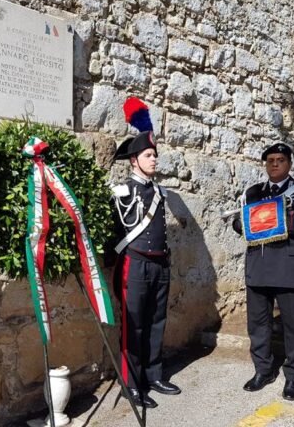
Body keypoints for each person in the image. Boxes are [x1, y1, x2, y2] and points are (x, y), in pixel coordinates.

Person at [232, 142, 294, 401]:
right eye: (270, 160)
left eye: (280, 159)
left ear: (289, 164)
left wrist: (279, 215)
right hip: (259, 265)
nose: (274, 164)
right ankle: (263, 370)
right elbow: (241, 222)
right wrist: (244, 222)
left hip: (289, 266)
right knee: (258, 324)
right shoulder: (254, 192)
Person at [110, 97, 181, 408]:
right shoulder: (122, 191)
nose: (155, 160)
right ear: (134, 160)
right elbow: (115, 232)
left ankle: (154, 375)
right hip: (134, 265)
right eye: (149, 155)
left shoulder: (160, 192)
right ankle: (131, 383)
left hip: (159, 265)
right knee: (133, 324)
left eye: (155, 155)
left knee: (156, 321)